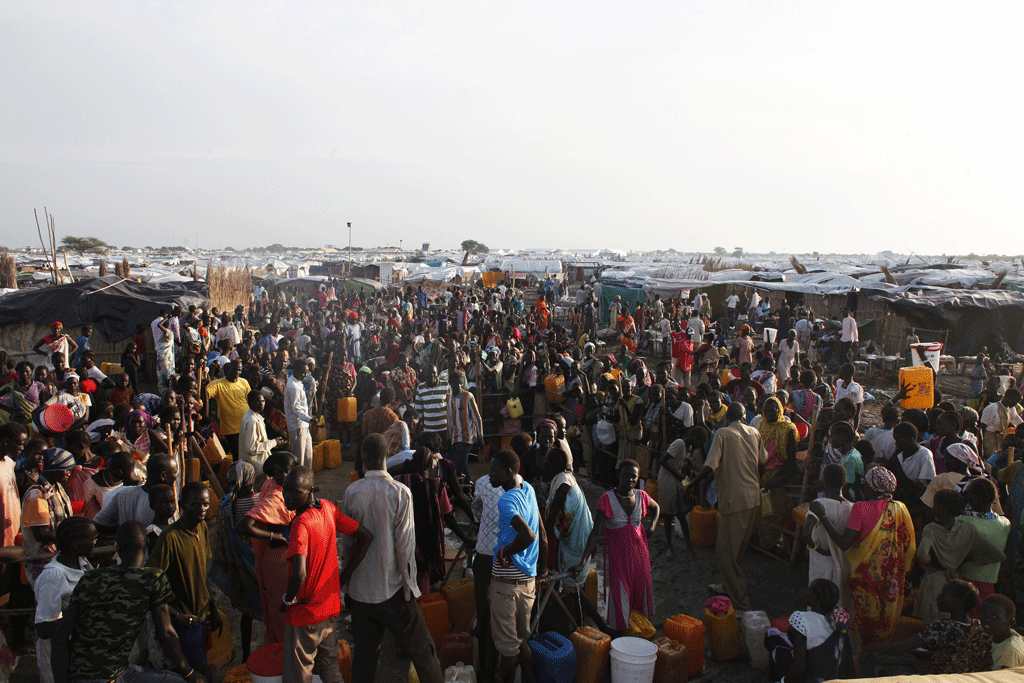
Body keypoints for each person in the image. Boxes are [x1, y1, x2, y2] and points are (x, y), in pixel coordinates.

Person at [52, 521, 206, 683]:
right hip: (109, 676)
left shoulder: (90, 578)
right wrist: (190, 673)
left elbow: (59, 639)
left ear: (117, 548)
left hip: (97, 673)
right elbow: (166, 634)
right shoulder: (152, 578)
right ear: (146, 544)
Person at [342, 434, 443, 683]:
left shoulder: (352, 492)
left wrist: (347, 586)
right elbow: (405, 548)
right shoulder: (400, 493)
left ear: (364, 459)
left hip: (361, 593)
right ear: (386, 457)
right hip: (393, 591)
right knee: (423, 652)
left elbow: (347, 546)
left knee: (364, 658)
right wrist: (410, 589)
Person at [281, 466, 372, 683]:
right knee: (330, 668)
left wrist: (287, 598)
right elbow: (365, 536)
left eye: (294, 492)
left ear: (311, 489)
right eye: (285, 491)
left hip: (304, 612)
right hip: (328, 609)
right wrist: (343, 576)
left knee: (299, 674)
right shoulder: (328, 508)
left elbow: (299, 574)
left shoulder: (300, 523)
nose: (287, 497)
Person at [809, 466, 915, 645]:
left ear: (869, 488)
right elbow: (909, 546)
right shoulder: (901, 508)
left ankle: (863, 659)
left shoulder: (861, 508)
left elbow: (843, 543)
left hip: (867, 580)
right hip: (892, 579)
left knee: (866, 626)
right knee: (886, 623)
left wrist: (823, 517)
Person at [687, 402, 765, 610]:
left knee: (725, 552)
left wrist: (692, 485)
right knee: (737, 548)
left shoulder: (722, 434)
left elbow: (709, 467)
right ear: (744, 416)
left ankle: (741, 601)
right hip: (752, 497)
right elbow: (763, 464)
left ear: (727, 417)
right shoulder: (754, 432)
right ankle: (728, 586)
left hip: (734, 500)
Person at [147, 482, 223, 680]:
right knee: (201, 673)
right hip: (183, 621)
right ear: (182, 505)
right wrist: (176, 615)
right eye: (195, 505)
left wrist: (212, 609)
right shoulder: (169, 538)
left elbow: (201, 573)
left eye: (205, 505)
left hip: (200, 615)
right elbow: (151, 587)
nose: (201, 510)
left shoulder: (202, 528)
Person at [488, 449, 547, 683]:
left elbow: (529, 535)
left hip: (507, 584)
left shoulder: (506, 500)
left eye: (494, 471)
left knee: (508, 651)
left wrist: (504, 551)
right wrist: (541, 569)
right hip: (527, 582)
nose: (490, 475)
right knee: (521, 641)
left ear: (507, 472)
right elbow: (541, 534)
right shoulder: (528, 489)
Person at [581, 459, 658, 634]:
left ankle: (640, 636)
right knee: (620, 602)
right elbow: (596, 532)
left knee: (640, 599)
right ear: (618, 475)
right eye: (626, 475)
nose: (630, 479)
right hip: (618, 562)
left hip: (640, 558)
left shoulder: (641, 496)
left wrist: (652, 525)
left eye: (634, 476)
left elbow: (656, 508)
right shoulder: (606, 500)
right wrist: (583, 560)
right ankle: (621, 641)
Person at [862, 579, 992, 675]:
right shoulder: (977, 626)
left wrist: (870, 648)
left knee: (875, 660)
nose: (938, 597)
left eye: (943, 594)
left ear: (956, 602)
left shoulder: (941, 627)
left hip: (937, 674)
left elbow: (900, 647)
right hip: (964, 676)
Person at [915, 489, 1004, 624]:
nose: (933, 507)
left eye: (935, 504)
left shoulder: (931, 529)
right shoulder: (967, 530)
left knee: (930, 625)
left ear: (942, 508)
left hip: (933, 582)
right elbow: (998, 554)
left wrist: (930, 561)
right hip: (956, 583)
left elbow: (922, 554)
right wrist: (969, 560)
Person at [235, 451, 297, 645]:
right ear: (272, 474)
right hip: (279, 561)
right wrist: (274, 535)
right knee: (285, 615)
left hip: (280, 558)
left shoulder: (271, 486)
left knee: (281, 611)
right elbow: (243, 526)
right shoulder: (275, 498)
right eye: (278, 472)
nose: (283, 476)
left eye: (288, 471)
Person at [34, 517, 97, 683]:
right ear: (75, 544)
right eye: (92, 539)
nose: (95, 542)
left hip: (81, 656)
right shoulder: (54, 576)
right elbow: (44, 628)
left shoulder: (82, 564)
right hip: (61, 661)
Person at [544, 447, 598, 622]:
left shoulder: (563, 484)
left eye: (547, 461)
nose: (544, 464)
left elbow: (552, 515)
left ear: (552, 465)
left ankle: (589, 623)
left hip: (577, 539)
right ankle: (576, 621)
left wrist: (541, 540)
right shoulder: (564, 478)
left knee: (575, 589)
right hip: (577, 534)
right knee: (573, 586)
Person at [764, 579, 854, 683]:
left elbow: (800, 666)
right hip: (833, 676)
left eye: (809, 591)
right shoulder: (840, 621)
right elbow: (849, 663)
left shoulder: (802, 619)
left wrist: (783, 682)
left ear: (815, 598)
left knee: (772, 635)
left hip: (810, 677)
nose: (806, 593)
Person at [802, 463, 853, 611]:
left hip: (822, 559)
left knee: (819, 595)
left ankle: (817, 629)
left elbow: (805, 533)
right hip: (843, 559)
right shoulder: (852, 507)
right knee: (839, 598)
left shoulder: (819, 504)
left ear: (823, 481)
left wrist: (817, 548)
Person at [21, 448, 76, 585]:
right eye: (66, 469)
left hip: (58, 557)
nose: (69, 474)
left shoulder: (57, 489)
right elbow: (41, 534)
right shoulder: (37, 495)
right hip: (44, 561)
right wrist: (73, 536)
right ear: (54, 469)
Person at [93, 453, 179, 532]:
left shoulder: (123, 495)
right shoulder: (164, 503)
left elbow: (99, 523)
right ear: (163, 476)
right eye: (174, 472)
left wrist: (125, 532)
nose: (175, 477)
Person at [204, 359, 251, 457]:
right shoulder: (217, 384)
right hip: (231, 429)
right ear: (229, 369)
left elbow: (250, 399)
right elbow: (206, 395)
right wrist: (204, 388)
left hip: (246, 425)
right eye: (235, 370)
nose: (237, 372)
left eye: (239, 370)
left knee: (248, 454)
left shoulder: (244, 382)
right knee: (237, 456)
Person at [447, 369, 483, 480]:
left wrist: (480, 435)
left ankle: (458, 491)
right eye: (454, 382)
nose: (458, 385)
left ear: (462, 383)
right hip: (455, 438)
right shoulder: (448, 398)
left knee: (457, 468)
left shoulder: (468, 396)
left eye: (460, 382)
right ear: (450, 383)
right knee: (463, 466)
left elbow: (477, 417)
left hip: (467, 437)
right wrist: (449, 437)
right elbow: (449, 418)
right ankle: (470, 489)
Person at [239, 390, 282, 471]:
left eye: (263, 401)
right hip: (256, 467)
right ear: (250, 403)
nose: (261, 404)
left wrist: (275, 443)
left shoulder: (254, 417)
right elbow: (251, 448)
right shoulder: (252, 420)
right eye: (257, 402)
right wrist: (274, 442)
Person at [284, 359, 314, 469]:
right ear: (295, 371)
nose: (305, 375)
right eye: (303, 372)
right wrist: (310, 419)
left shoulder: (298, 382)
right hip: (297, 426)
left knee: (308, 456)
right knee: (299, 459)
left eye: (306, 372)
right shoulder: (293, 386)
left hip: (304, 425)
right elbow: (296, 409)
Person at [980, 594, 1024, 669]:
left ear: (1010, 622)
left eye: (995, 617)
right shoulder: (990, 633)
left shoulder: (1011, 650)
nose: (987, 619)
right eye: (984, 614)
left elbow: (1004, 679)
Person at [980, 388, 1023, 458]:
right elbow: (982, 427)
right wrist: (980, 445)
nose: (1016, 404)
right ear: (1010, 398)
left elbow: (1020, 423)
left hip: (1001, 439)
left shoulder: (1011, 410)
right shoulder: (993, 408)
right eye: (1016, 401)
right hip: (989, 439)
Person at [833, 363, 864, 430]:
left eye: (841, 371)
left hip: (848, 420)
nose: (839, 373)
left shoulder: (855, 388)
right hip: (836, 416)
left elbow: (857, 411)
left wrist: (855, 429)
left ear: (846, 372)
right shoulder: (839, 383)